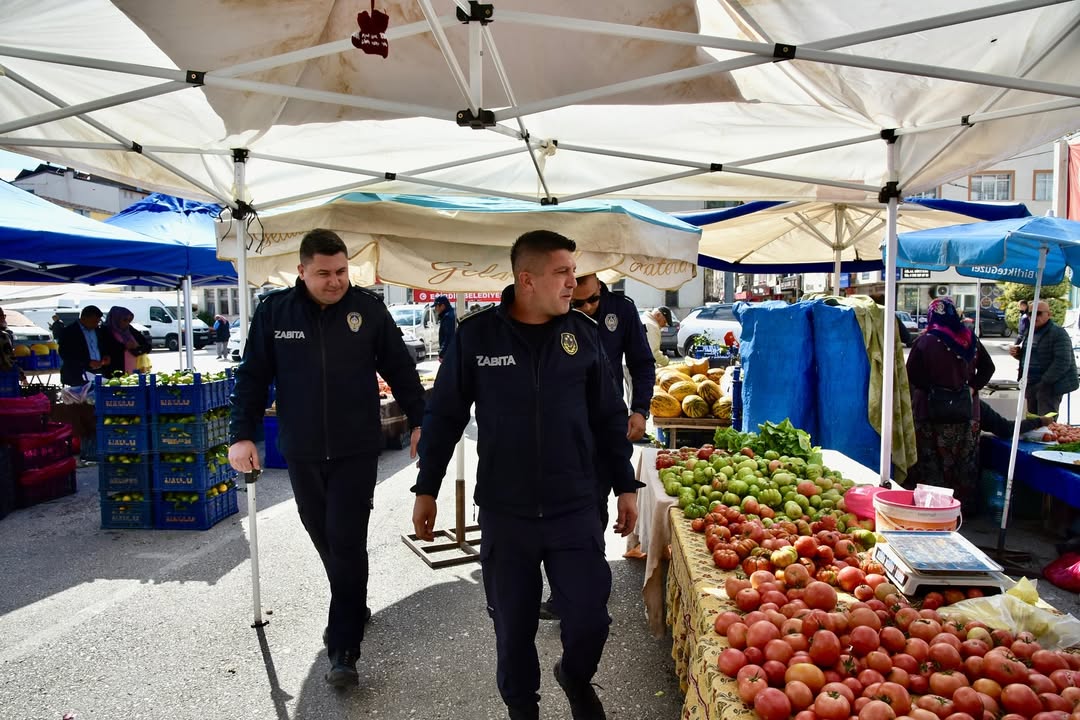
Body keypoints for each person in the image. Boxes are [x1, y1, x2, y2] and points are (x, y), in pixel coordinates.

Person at [413, 230, 640, 720]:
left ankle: (575, 677)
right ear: (526, 279)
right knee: (512, 628)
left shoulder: (583, 334)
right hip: (506, 511)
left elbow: (607, 416)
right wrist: (426, 488)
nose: (572, 283)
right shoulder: (477, 337)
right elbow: (445, 416)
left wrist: (625, 484)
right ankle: (522, 709)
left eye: (573, 272)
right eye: (562, 272)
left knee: (589, 619)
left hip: (574, 506)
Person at [227, 229, 426, 688]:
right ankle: (352, 598)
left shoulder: (368, 310)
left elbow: (400, 368)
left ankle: (344, 648)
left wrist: (422, 420)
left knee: (347, 539)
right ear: (302, 271)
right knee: (325, 537)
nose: (335, 281)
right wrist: (242, 435)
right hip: (301, 449)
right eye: (324, 273)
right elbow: (253, 377)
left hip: (356, 447)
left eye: (341, 272)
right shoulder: (275, 312)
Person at [906, 297, 995, 512]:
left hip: (930, 411)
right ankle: (962, 508)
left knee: (931, 459)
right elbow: (988, 368)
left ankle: (934, 509)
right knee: (965, 461)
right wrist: (971, 388)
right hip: (966, 411)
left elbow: (912, 374)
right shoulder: (969, 339)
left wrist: (934, 389)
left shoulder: (925, 341)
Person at [570, 274, 655, 442]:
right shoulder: (557, 310)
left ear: (599, 286)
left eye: (593, 299)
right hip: (569, 416)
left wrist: (640, 410)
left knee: (617, 466)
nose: (587, 307)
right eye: (577, 303)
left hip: (610, 413)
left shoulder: (622, 309)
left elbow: (642, 363)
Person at [1009, 300, 1079, 416]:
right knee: (1031, 423)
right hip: (1031, 384)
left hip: (1049, 387)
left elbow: (1063, 361)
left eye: (1039, 313)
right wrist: (1019, 354)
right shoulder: (1030, 331)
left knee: (1046, 424)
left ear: (1049, 314)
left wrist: (1044, 382)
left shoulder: (1058, 333)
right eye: (1031, 313)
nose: (1034, 316)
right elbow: (1034, 356)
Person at [58, 305, 118, 387]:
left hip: (99, 372)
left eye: (98, 322)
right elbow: (65, 354)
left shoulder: (99, 330)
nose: (96, 324)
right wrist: (87, 363)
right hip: (77, 375)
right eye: (93, 321)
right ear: (83, 318)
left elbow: (104, 346)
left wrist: (106, 355)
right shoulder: (69, 332)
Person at [103, 306, 146, 375]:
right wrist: (125, 346)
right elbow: (107, 349)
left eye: (129, 320)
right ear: (116, 319)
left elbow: (145, 344)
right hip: (115, 370)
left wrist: (138, 347)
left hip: (134, 369)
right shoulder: (105, 331)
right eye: (125, 320)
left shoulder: (129, 329)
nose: (127, 323)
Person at [432, 295, 456, 361]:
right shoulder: (452, 313)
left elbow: (448, 337)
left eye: (436, 306)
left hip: (449, 354)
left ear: (442, 306)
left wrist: (442, 353)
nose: (436, 309)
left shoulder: (447, 317)